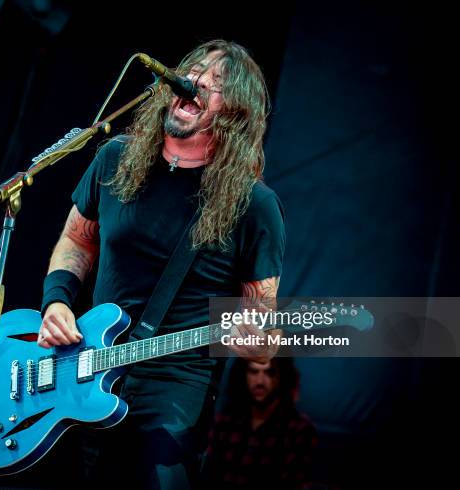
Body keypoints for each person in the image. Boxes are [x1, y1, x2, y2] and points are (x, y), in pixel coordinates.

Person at [38, 39, 286, 489]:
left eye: (216, 84)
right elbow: (77, 239)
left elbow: (262, 324)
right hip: (85, 364)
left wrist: (258, 337)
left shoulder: (254, 205)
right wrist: (56, 303)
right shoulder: (115, 158)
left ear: (235, 114)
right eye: (193, 73)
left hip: (174, 388)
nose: (195, 83)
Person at [203, 358, 318, 489]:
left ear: (281, 376)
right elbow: (209, 475)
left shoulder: (298, 429)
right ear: (243, 374)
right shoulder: (225, 421)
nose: (260, 381)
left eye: (269, 373)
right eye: (253, 372)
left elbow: (295, 482)